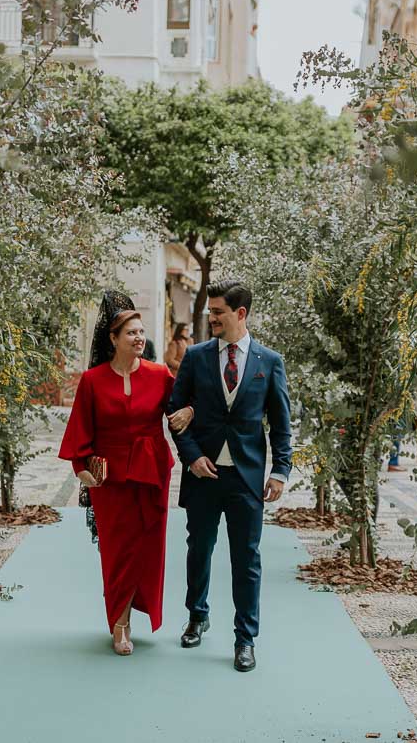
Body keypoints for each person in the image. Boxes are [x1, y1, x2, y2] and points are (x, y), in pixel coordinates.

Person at [167, 279, 292, 673]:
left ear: (240, 314)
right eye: (210, 311)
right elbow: (174, 413)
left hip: (247, 478)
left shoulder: (269, 361)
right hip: (203, 475)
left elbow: (282, 422)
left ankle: (245, 638)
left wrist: (281, 471)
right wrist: (192, 457)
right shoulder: (196, 356)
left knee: (247, 559)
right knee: (198, 549)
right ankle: (196, 615)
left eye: (218, 312)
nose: (211, 318)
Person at [58, 293, 194, 656]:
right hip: (110, 478)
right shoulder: (92, 380)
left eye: (141, 332)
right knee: (117, 552)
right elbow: (79, 430)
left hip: (152, 474)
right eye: (130, 333)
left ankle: (130, 614)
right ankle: (120, 624)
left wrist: (191, 411)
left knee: (147, 549)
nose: (139, 338)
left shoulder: (160, 374)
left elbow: (184, 405)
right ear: (113, 339)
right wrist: (82, 472)